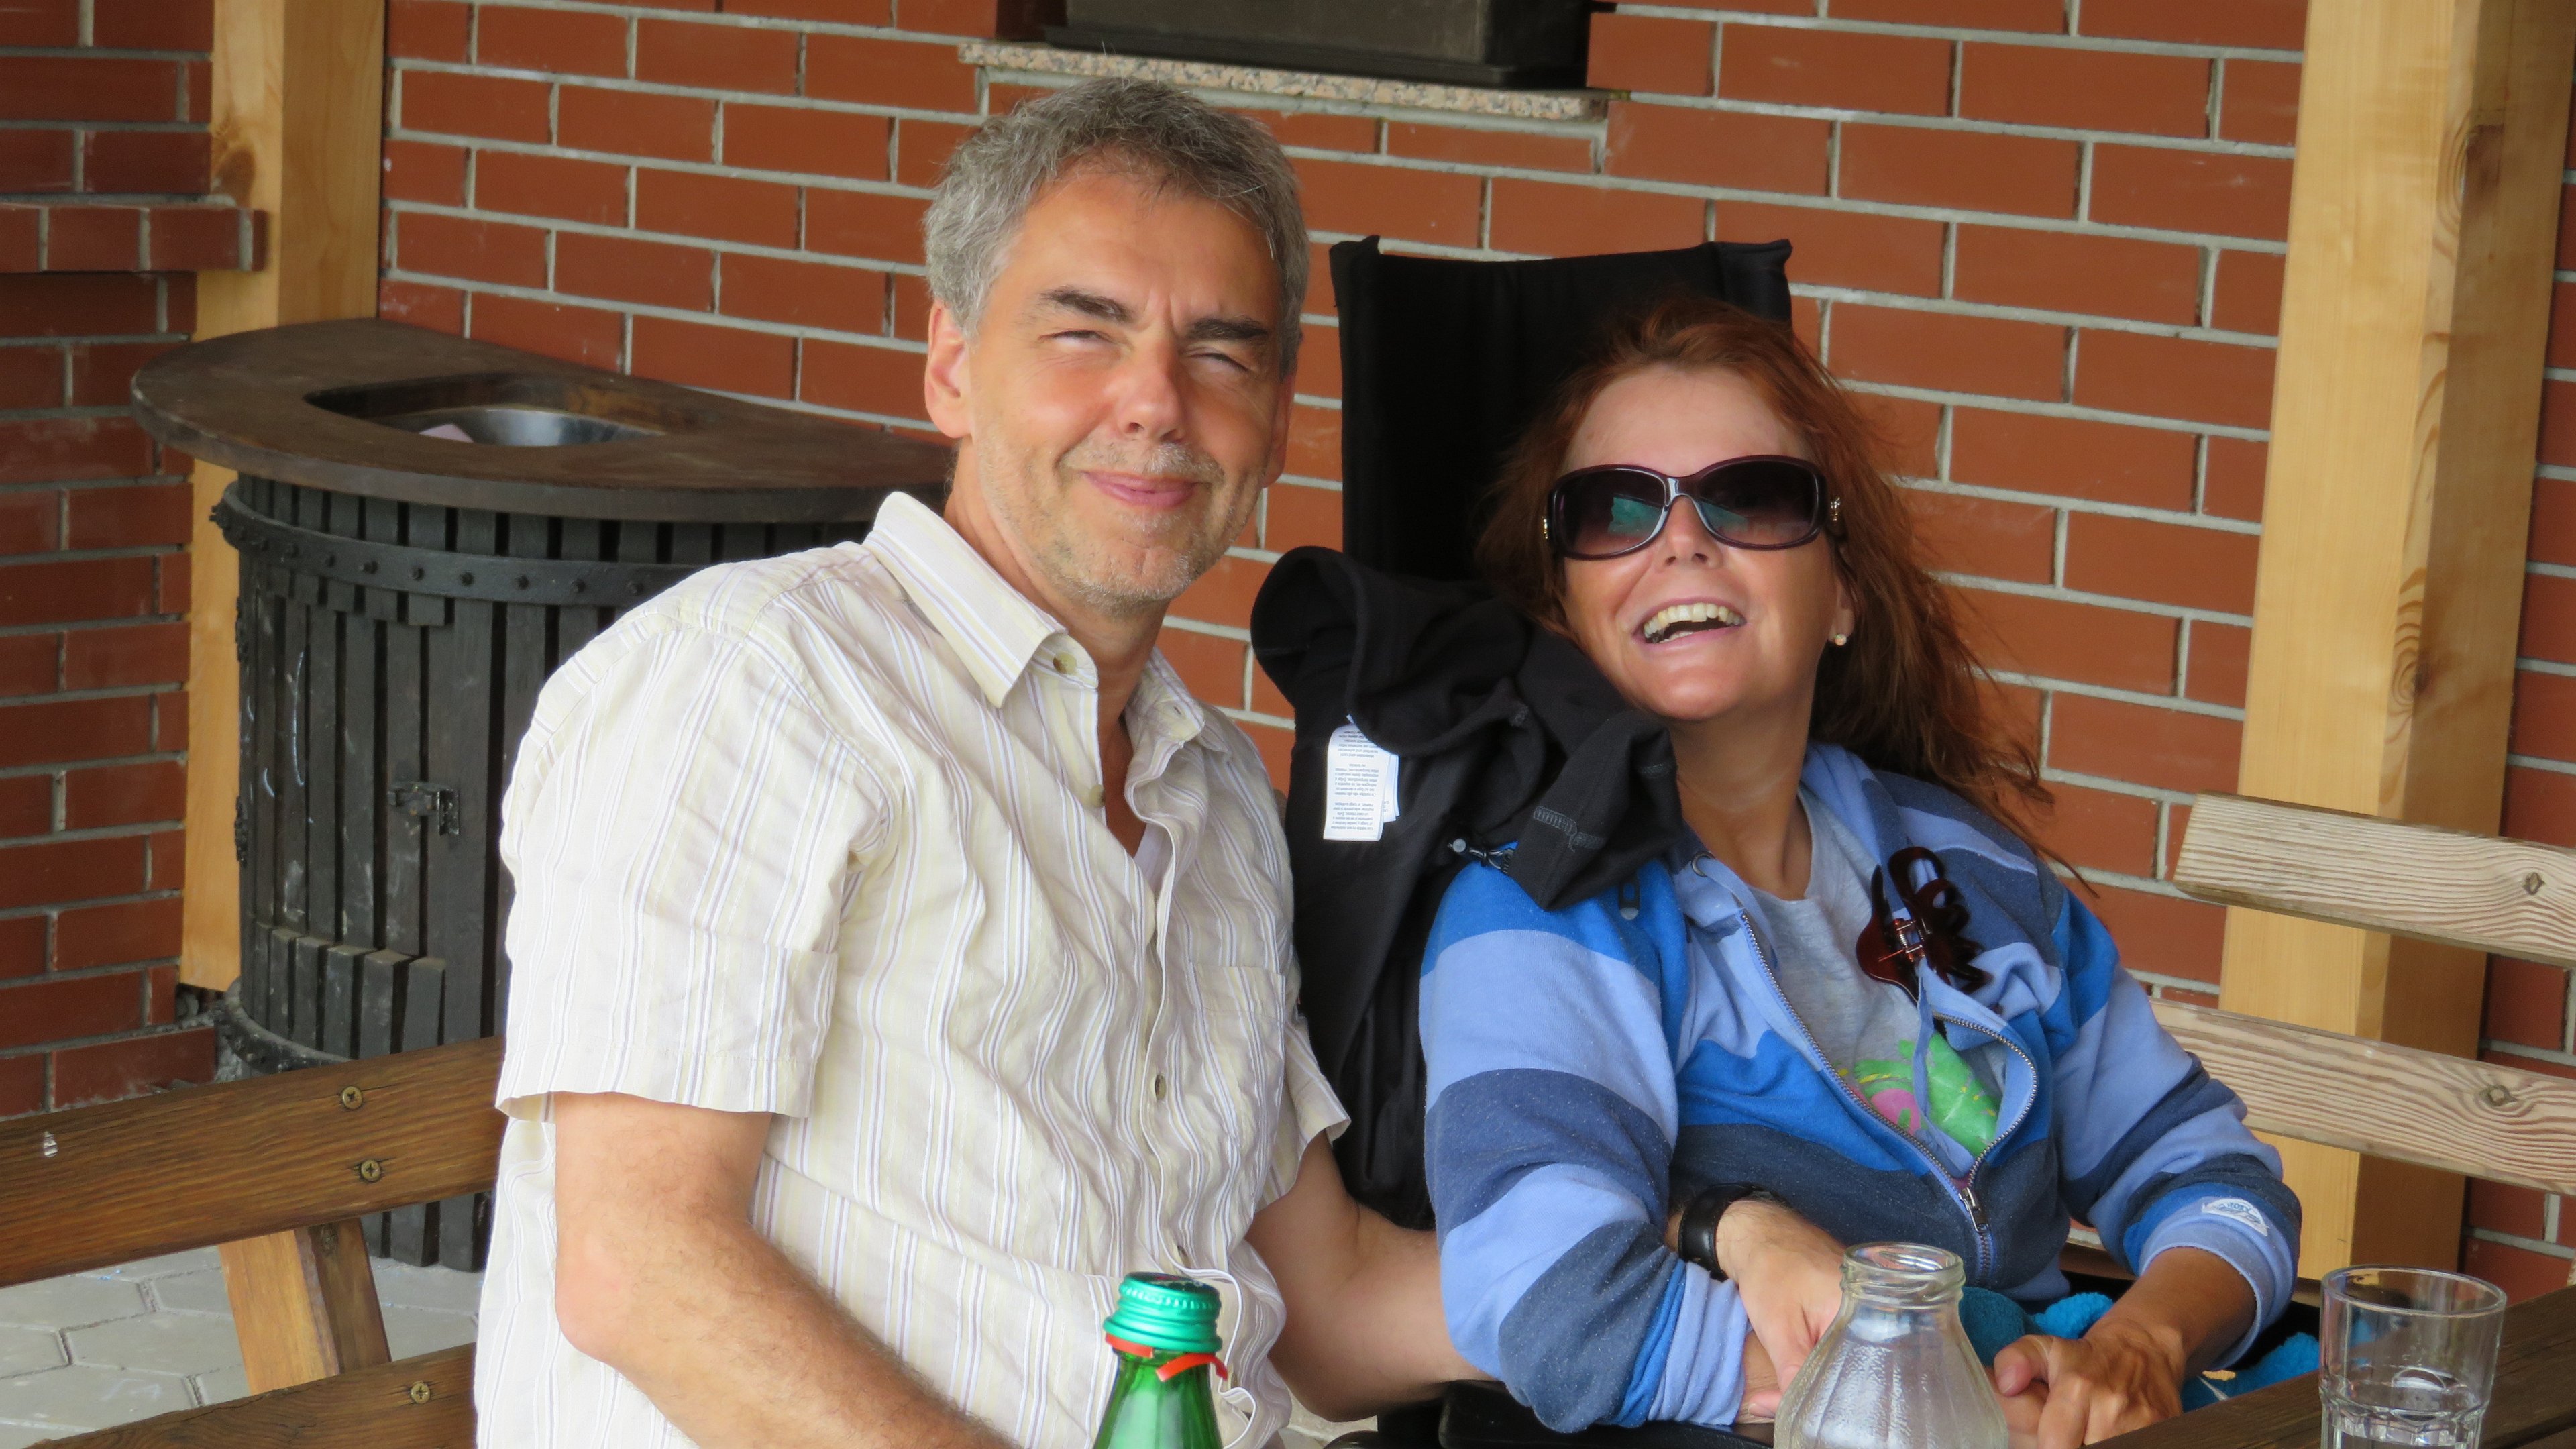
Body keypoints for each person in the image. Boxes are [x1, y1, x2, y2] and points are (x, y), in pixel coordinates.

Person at [474, 78, 1470, 1449]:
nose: (1156, 402)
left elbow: (1336, 1308)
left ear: (1279, 423)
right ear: (951, 366)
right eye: (1084, 332)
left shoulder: (1217, 797)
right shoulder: (756, 682)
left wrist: (1704, 1287)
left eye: (1221, 353)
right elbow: (640, 1266)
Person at [1419, 295, 2300, 1448]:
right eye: (1614, 509)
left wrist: (2143, 1344)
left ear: (1844, 591)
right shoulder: (1545, 905)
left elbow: (2213, 1172)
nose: (1680, 541)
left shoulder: (1975, 871)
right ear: (1564, 609)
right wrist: (1942, 1402)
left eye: (1751, 497)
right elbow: (1551, 1306)